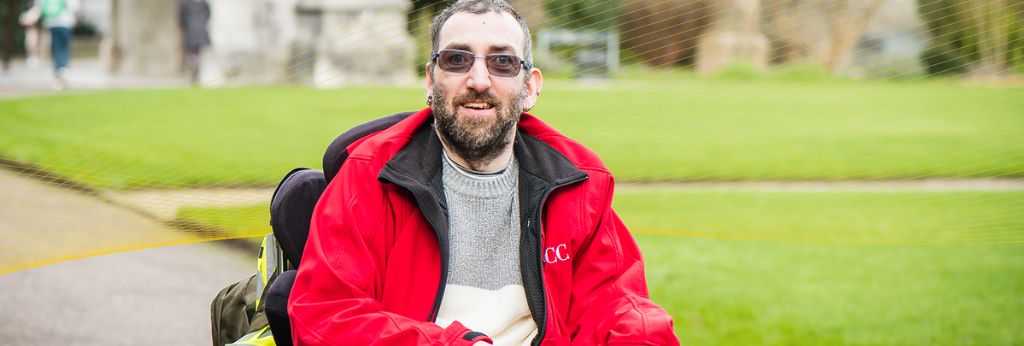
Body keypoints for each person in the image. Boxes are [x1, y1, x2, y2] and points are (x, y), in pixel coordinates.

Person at [287, 0, 680, 345]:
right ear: (430, 80)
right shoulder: (368, 177)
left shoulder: (579, 183)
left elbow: (618, 305)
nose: (478, 80)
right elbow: (324, 314)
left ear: (530, 88)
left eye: (502, 62)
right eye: (456, 59)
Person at [39, 0, 77, 90]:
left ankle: (59, 73)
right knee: (64, 48)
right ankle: (63, 70)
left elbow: (41, 5)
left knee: (56, 49)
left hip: (52, 22)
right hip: (65, 22)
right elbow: (74, 6)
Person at [178, 0, 210, 85]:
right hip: (197, 30)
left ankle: (194, 65)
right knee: (195, 52)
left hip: (192, 30)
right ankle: (195, 65)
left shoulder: (186, 3)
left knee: (192, 52)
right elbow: (208, 14)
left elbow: (181, 17)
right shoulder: (203, 3)